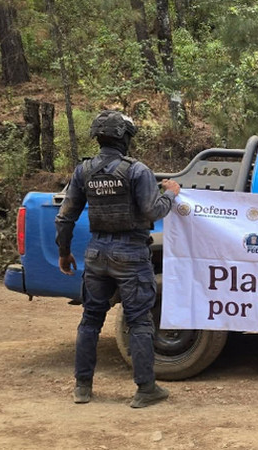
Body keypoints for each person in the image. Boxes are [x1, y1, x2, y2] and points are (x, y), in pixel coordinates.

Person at [55, 110, 181, 408]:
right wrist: (172, 195)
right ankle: (145, 389)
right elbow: (153, 211)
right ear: (125, 138)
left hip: (96, 254)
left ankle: (82, 388)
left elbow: (65, 217)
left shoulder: (83, 171)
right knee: (139, 321)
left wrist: (64, 252)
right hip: (131, 256)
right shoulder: (137, 171)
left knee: (90, 321)